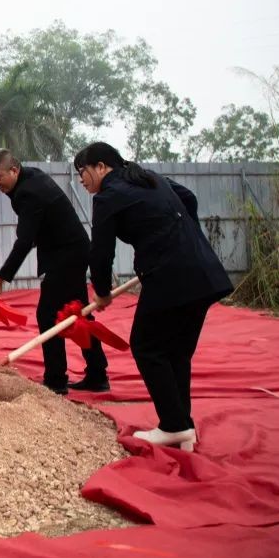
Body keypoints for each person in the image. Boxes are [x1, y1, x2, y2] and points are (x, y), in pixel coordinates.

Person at [75, 142, 232, 451]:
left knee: (146, 346)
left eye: (83, 172)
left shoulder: (108, 196)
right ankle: (183, 427)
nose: (81, 180)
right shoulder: (150, 178)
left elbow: (101, 252)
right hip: (202, 271)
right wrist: (184, 234)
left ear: (101, 167)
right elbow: (189, 198)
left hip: (169, 275)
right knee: (176, 353)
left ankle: (173, 425)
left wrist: (102, 292)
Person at [0, 149, 108, 395]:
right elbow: (31, 234)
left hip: (67, 255)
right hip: (71, 250)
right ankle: (97, 373)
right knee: (80, 314)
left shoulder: (28, 192)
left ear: (14, 170)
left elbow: (24, 240)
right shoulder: (30, 179)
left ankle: (56, 380)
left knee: (48, 315)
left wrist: (0, 278)